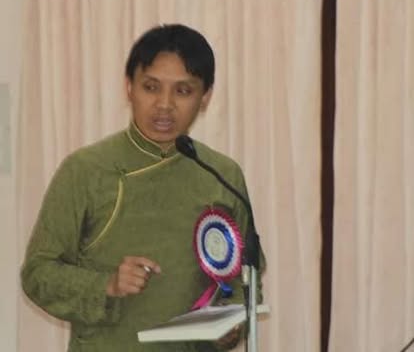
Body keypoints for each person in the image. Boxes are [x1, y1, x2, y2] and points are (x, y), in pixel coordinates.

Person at [21, 24, 264, 351]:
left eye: (183, 91)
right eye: (151, 87)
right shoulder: (85, 170)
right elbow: (37, 274)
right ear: (129, 87)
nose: (164, 104)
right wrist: (106, 284)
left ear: (205, 97)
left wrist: (230, 326)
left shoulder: (223, 174)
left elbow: (245, 278)